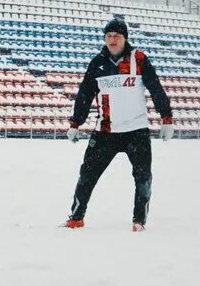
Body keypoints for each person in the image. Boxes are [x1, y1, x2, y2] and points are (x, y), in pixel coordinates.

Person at [63, 18, 174, 232]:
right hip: (106, 131)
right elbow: (85, 95)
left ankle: (139, 221)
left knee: (143, 177)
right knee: (87, 174)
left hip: (136, 131)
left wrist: (166, 118)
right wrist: (75, 122)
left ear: (125, 38)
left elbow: (156, 89)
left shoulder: (138, 59)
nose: (112, 40)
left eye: (117, 36)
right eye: (108, 36)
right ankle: (76, 217)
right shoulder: (97, 63)